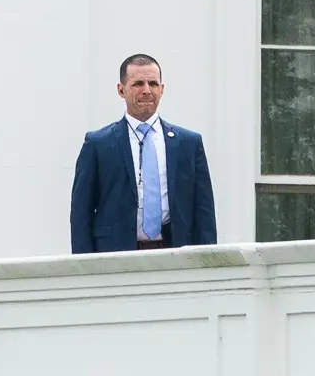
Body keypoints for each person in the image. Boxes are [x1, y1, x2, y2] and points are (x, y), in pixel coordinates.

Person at [69, 53, 217, 253]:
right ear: (121, 90)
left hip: (176, 255)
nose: (147, 90)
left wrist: (207, 263)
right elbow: (81, 213)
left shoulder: (189, 144)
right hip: (115, 257)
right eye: (138, 83)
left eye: (153, 84)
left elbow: (204, 211)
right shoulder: (98, 144)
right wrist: (83, 268)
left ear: (162, 89)